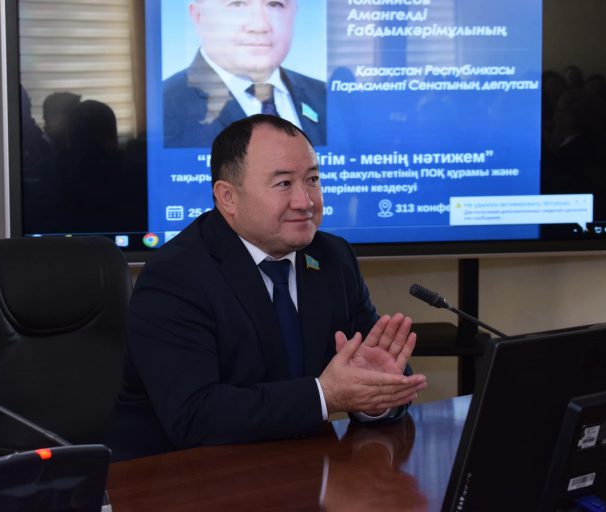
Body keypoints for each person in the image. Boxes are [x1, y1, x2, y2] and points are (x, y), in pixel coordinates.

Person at [107, 114, 426, 460]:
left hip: (298, 469)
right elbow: (194, 416)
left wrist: (374, 397)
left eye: (312, 179)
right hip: (180, 476)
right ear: (227, 197)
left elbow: (378, 370)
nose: (305, 201)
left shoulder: (333, 257)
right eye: (284, 184)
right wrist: (325, 395)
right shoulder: (175, 276)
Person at [163, 0, 326, 148]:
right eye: (237, 4)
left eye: (275, 4)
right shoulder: (161, 110)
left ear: (294, 13)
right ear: (199, 17)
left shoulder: (328, 98)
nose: (260, 26)